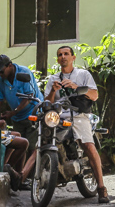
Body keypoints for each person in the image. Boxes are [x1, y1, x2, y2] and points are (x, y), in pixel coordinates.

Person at [46, 46, 110, 204]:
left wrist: (75, 87)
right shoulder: (54, 78)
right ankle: (23, 176)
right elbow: (47, 102)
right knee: (42, 140)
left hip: (79, 115)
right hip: (59, 116)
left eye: (66, 54)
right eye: (60, 55)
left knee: (88, 145)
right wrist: (53, 91)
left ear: (73, 57)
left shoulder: (83, 74)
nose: (63, 57)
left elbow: (94, 95)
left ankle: (101, 187)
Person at [0, 54, 42, 153]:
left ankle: (30, 169)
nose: (0, 74)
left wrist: (13, 112)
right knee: (18, 148)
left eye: (1, 71)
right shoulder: (0, 82)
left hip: (32, 114)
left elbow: (29, 97)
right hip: (18, 118)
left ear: (10, 65)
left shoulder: (24, 72)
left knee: (32, 147)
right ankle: (16, 169)